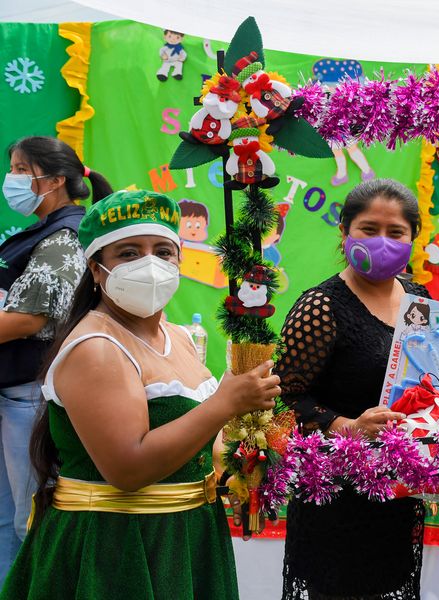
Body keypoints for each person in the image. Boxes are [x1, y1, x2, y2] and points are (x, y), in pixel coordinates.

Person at [1, 190, 281, 599]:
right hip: (118, 547)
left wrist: (237, 471)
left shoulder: (179, 337)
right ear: (96, 269)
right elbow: (127, 470)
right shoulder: (96, 348)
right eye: (129, 253)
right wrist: (225, 403)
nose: (150, 264)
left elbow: (199, 441)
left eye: (163, 252)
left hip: (187, 538)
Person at [275, 179, 427, 600]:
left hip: (398, 495)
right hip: (334, 497)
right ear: (344, 231)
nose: (383, 241)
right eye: (369, 229)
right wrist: (345, 426)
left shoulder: (418, 300)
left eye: (396, 232)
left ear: (413, 237)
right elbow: (282, 399)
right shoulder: (320, 306)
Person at [0, 136, 112, 585]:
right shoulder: (42, 231)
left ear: (55, 180)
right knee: (9, 521)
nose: (11, 179)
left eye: (21, 170)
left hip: (29, 397)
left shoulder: (65, 236)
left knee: (30, 522)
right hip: (13, 395)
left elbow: (31, 318)